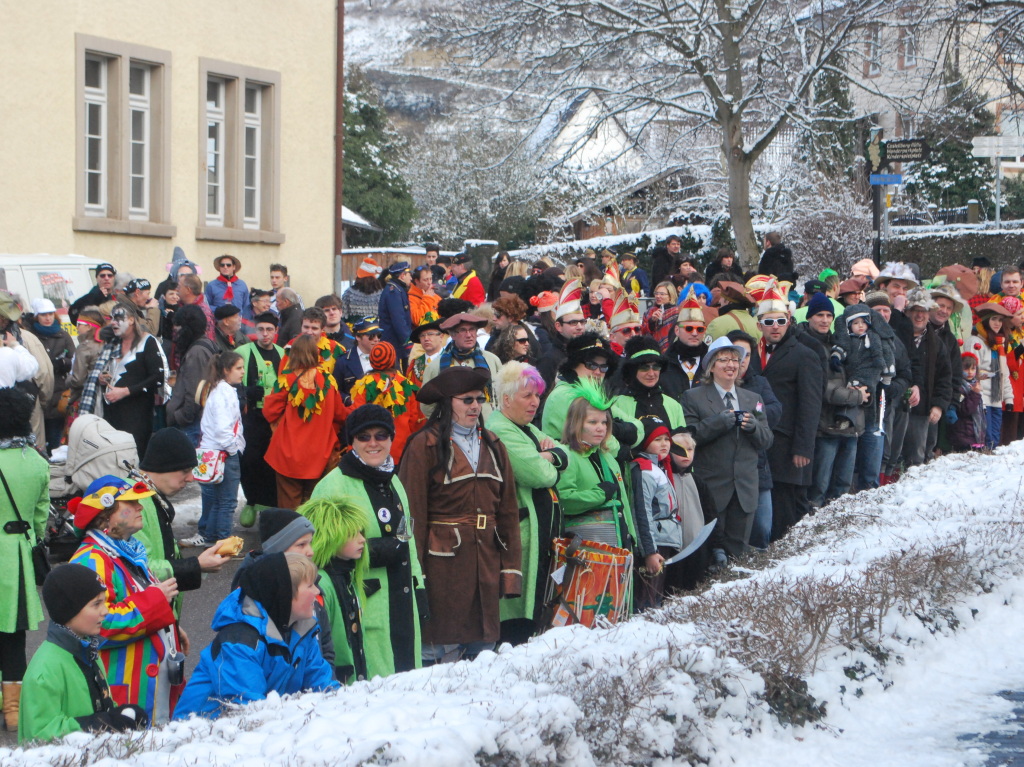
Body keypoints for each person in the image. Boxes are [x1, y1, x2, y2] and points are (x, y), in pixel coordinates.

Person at [399, 367, 521, 664]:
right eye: (466, 400)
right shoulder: (424, 444)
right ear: (446, 403)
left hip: (486, 561)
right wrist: (415, 573)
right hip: (443, 567)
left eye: (480, 399)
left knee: (484, 655)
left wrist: (510, 573)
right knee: (439, 654)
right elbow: (412, 512)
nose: (475, 406)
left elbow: (507, 513)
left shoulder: (493, 445)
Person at [309, 405, 426, 677]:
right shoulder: (333, 486)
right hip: (366, 610)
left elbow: (407, 538)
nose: (373, 443)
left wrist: (419, 587)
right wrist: (375, 551)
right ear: (352, 442)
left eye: (381, 435)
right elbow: (318, 553)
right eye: (364, 437)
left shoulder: (394, 480)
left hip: (403, 605)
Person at [68, 476, 183, 724]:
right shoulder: (91, 559)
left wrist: (170, 627)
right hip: (126, 689)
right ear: (105, 515)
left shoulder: (126, 551)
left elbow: (132, 598)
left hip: (147, 686)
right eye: (130, 502)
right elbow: (98, 626)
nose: (140, 507)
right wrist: (156, 601)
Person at [173, 552, 339, 719]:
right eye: (310, 585)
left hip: (251, 729)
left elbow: (324, 688)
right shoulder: (240, 641)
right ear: (285, 594)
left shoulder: (303, 628)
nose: (317, 590)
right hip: (200, 734)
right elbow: (250, 712)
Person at [19, 564, 149, 742]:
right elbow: (38, 736)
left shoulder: (88, 650)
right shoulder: (44, 672)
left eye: (104, 602)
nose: (105, 611)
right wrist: (99, 724)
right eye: (96, 604)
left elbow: (98, 705)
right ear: (68, 610)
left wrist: (119, 714)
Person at [486, 363, 567, 644]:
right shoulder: (500, 429)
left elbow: (565, 450)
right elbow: (538, 474)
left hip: (539, 535)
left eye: (538, 396)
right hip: (520, 536)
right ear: (506, 399)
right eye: (527, 396)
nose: (535, 403)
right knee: (519, 618)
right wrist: (550, 459)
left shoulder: (526, 427)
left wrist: (553, 455)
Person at [682, 337, 773, 561]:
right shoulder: (692, 397)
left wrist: (754, 428)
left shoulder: (754, 399)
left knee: (738, 555)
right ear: (711, 366)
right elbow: (689, 437)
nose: (731, 365)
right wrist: (718, 423)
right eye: (724, 359)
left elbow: (767, 439)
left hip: (745, 488)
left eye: (735, 359)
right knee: (709, 554)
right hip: (712, 488)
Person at [134, 429, 229, 604]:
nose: (191, 478)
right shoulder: (134, 503)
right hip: (143, 615)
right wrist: (197, 565)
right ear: (163, 465)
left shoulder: (149, 496)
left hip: (155, 614)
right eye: (185, 471)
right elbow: (137, 570)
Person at [0, 389, 49, 731]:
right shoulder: (37, 461)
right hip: (18, 558)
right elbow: (41, 518)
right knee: (14, 636)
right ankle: (13, 710)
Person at [264, 335, 346, 509]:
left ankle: (291, 536)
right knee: (315, 505)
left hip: (288, 454)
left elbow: (269, 412)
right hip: (320, 454)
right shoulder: (328, 382)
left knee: (289, 507)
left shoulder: (285, 380)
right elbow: (340, 415)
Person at [181, 352, 245, 548]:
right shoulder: (225, 393)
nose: (243, 372)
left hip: (214, 454)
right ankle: (223, 544)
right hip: (223, 455)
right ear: (226, 370)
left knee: (216, 500)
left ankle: (211, 537)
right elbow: (223, 428)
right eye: (238, 368)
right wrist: (233, 449)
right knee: (227, 502)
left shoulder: (218, 390)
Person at [726, 330, 782, 551]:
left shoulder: (759, 383)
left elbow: (776, 409)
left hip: (757, 466)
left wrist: (750, 415)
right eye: (736, 354)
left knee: (762, 527)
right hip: (724, 469)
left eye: (747, 355)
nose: (741, 361)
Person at [90, 302, 164, 456]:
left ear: (131, 320)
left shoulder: (147, 342)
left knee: (134, 457)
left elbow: (158, 377)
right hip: (112, 412)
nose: (113, 322)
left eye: (118, 318)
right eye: (111, 318)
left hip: (137, 414)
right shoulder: (113, 343)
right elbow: (111, 369)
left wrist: (126, 391)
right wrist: (103, 378)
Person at [629, 417, 681, 610]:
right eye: (657, 439)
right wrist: (650, 552)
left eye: (667, 439)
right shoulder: (644, 469)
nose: (664, 444)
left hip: (663, 539)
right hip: (654, 543)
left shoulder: (658, 467)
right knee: (647, 604)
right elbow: (642, 512)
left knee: (657, 600)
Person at [237, 312, 285, 517]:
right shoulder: (242, 352)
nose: (264, 334)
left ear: (276, 332)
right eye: (260, 330)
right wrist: (246, 392)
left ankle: (270, 503)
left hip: (277, 417)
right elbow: (227, 382)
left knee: (273, 461)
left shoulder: (283, 354)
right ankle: (251, 500)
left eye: (269, 330)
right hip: (252, 415)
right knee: (250, 460)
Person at [902, 288, 952, 466]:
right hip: (896, 408)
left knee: (919, 459)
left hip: (924, 411)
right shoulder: (896, 337)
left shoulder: (936, 343)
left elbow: (945, 378)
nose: (919, 315)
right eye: (915, 310)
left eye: (923, 311)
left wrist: (939, 406)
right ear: (907, 312)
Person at [419, 312, 502, 418]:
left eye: (472, 329)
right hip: (454, 430)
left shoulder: (492, 360)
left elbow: (502, 394)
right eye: (462, 330)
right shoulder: (436, 366)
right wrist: (446, 421)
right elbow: (427, 404)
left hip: (488, 427)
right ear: (452, 334)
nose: (469, 335)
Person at [0, 292, 54, 449]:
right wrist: (43, 402)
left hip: (20, 407)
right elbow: (43, 372)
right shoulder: (21, 341)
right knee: (31, 452)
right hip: (22, 409)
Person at [165, 305, 218, 447]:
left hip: (192, 426)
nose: (174, 330)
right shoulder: (206, 344)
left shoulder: (196, 352)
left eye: (178, 325)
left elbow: (195, 393)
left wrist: (181, 417)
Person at [613, 336, 687, 434]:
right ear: (632, 370)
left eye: (656, 367)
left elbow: (683, 443)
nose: (651, 373)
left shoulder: (674, 406)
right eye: (644, 367)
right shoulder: (617, 405)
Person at [28, 298, 75, 451]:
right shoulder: (30, 337)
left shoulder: (63, 335)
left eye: (50, 314)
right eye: (43, 315)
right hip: (38, 390)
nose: (48, 318)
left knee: (56, 437)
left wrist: (62, 364)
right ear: (36, 316)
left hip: (60, 391)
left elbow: (74, 360)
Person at [970, 302, 1014, 448]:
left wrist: (1008, 398)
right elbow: (971, 371)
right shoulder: (976, 342)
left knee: (994, 438)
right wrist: (989, 374)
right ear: (985, 320)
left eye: (1000, 320)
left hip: (996, 399)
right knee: (985, 437)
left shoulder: (999, 345)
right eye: (994, 319)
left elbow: (1004, 374)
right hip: (981, 398)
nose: (997, 323)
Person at [536, 279, 585, 390]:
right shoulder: (549, 360)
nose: (579, 327)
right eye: (573, 322)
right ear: (558, 326)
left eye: (582, 322)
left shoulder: (587, 354)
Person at [660, 288, 708, 398]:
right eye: (689, 328)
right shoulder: (663, 364)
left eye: (700, 329)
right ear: (677, 330)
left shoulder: (713, 361)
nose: (695, 333)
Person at [66, 307, 105, 414]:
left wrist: (68, 379)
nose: (76, 327)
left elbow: (78, 380)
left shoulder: (84, 347)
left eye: (79, 324)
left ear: (88, 326)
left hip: (86, 397)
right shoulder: (107, 343)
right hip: (105, 397)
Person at [338, 317, 383, 401]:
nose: (376, 339)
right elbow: (336, 390)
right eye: (371, 336)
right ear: (358, 337)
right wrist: (349, 400)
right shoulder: (343, 361)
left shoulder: (387, 357)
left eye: (379, 335)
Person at [378, 261, 414, 361]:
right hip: (394, 342)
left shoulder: (399, 289)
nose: (411, 278)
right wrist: (407, 341)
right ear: (402, 276)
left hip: (397, 342)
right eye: (409, 275)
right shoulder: (393, 291)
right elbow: (398, 319)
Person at [950, 353, 985, 451]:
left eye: (973, 369)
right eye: (966, 369)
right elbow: (965, 410)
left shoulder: (975, 385)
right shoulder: (958, 387)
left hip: (975, 433)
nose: (970, 372)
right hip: (963, 434)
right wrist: (975, 394)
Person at [175, 274, 215, 342]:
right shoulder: (181, 307)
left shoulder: (203, 313)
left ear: (188, 290)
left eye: (179, 286)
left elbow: (206, 342)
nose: (176, 289)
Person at [342, 259, 383, 325]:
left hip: (354, 330)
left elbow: (344, 315)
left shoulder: (349, 293)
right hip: (376, 329)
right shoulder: (381, 293)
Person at [642, 282, 679, 353]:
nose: (658, 296)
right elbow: (643, 332)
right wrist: (652, 321)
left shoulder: (676, 312)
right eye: (656, 293)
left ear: (670, 296)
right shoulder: (649, 312)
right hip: (652, 350)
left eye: (662, 294)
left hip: (671, 350)